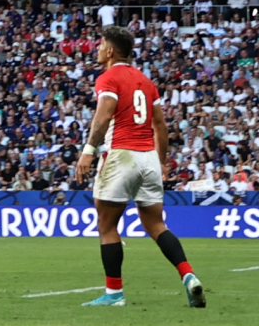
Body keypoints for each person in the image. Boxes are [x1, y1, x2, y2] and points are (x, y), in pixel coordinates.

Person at [71, 27, 205, 308]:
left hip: (121, 155)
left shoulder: (108, 78)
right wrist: (162, 162)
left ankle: (114, 294)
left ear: (110, 51)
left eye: (101, 45)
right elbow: (160, 126)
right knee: (156, 224)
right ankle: (188, 275)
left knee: (107, 226)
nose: (97, 49)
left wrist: (88, 152)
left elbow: (102, 117)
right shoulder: (146, 81)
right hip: (148, 158)